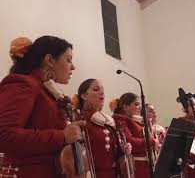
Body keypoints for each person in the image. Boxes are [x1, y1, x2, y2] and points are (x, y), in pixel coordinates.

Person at [0, 36, 85, 178]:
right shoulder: (24, 83)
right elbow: (3, 134)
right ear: (50, 60)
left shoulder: (47, 91)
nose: (73, 67)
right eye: (68, 60)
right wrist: (62, 136)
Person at [75, 79, 132, 178]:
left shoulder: (108, 120)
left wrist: (123, 149)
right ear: (84, 96)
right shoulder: (79, 119)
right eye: (96, 89)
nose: (101, 92)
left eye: (102, 90)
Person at [112, 93, 159, 178]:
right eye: (136, 104)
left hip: (144, 166)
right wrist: (151, 142)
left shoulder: (133, 120)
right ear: (125, 106)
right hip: (135, 167)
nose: (140, 107)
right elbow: (129, 142)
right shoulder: (120, 120)